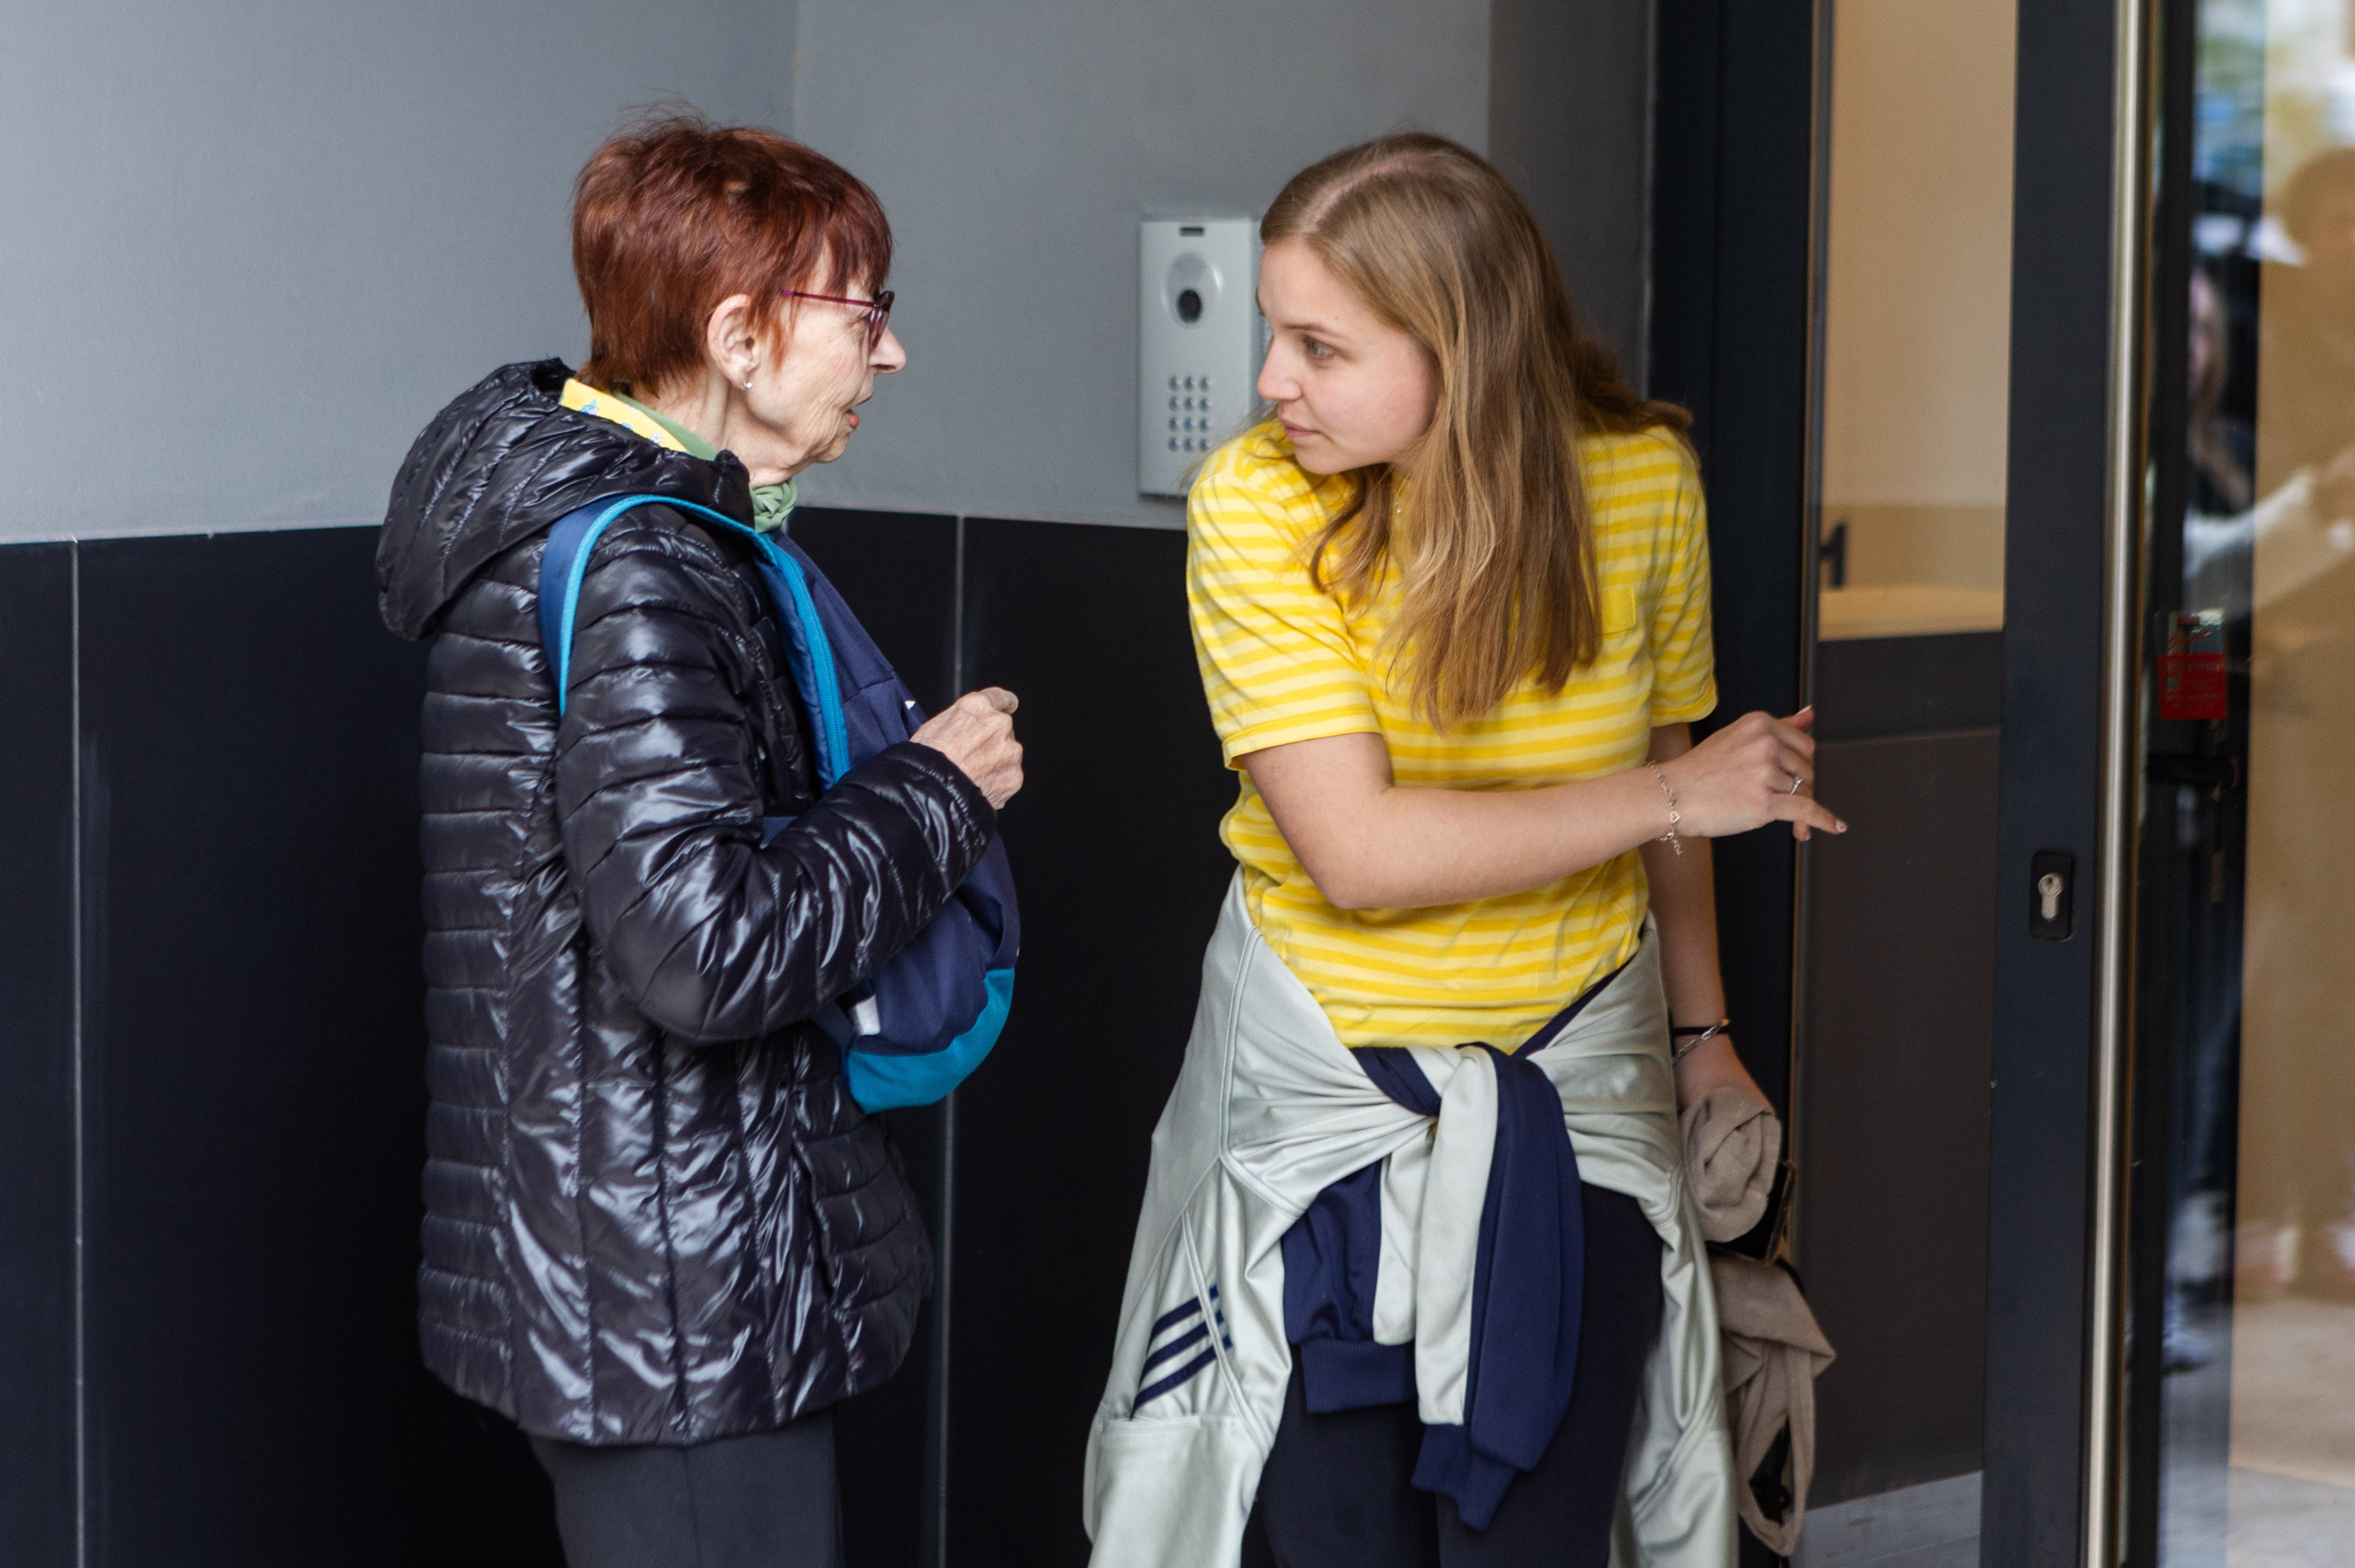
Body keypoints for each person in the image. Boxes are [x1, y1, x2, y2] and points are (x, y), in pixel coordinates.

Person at [1083, 134, 1842, 1568]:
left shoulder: (1641, 482)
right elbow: (1358, 852)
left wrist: (1705, 1038)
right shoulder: (1254, 505)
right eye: (1270, 333)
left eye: (1318, 344)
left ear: (1462, 350)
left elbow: (1677, 804)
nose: (1269, 380)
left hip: (1577, 1108)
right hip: (1321, 1113)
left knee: (1543, 1538)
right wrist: (1672, 792)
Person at [373, 111, 1022, 1568]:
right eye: (867, 311)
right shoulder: (646, 559)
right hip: (670, 1284)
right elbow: (706, 948)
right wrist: (939, 788)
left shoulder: (606, 524)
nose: (889, 353)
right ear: (739, 334)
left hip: (637, 1258)